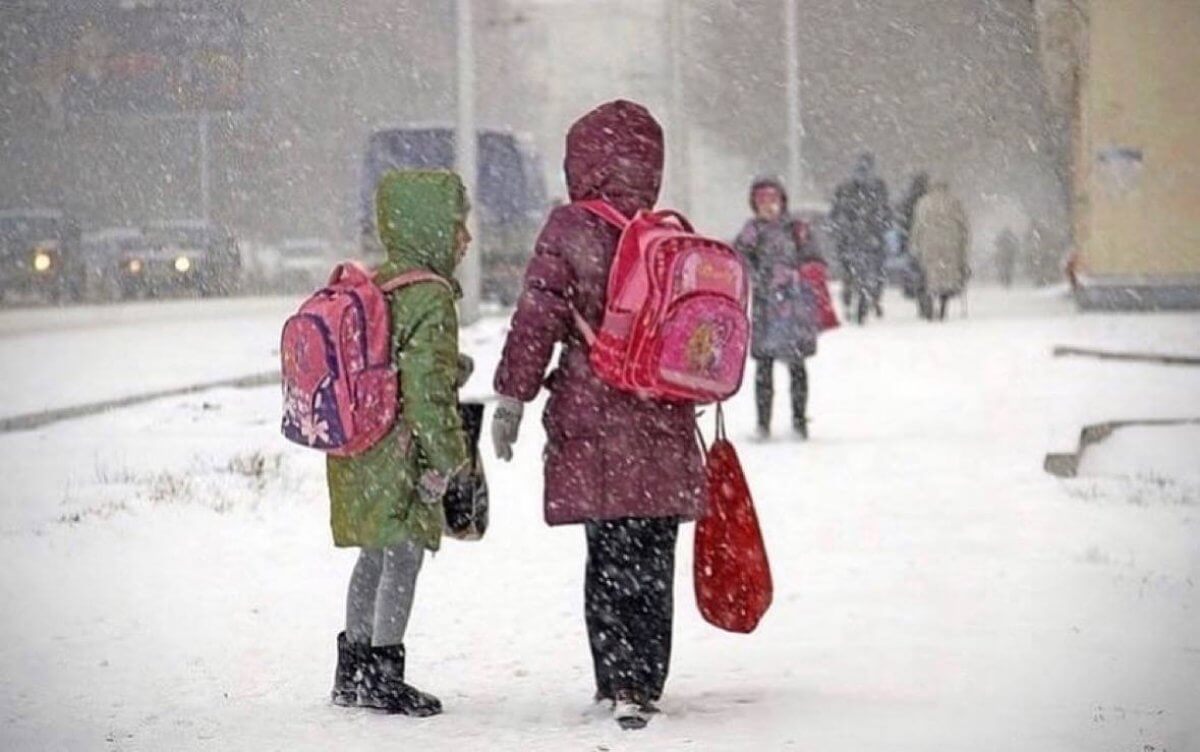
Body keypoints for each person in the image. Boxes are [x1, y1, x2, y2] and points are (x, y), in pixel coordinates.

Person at [490, 100, 704, 730]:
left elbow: (538, 317)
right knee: (654, 557)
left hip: (593, 418)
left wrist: (513, 395)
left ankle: (615, 681)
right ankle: (646, 681)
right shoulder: (671, 233)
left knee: (607, 556)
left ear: (579, 161)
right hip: (662, 418)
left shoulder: (569, 229)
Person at [327, 169, 474, 716]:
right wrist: (449, 458)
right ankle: (386, 675)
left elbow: (389, 358)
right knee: (405, 555)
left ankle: (353, 670)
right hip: (401, 447)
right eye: (460, 225)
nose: (467, 238)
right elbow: (426, 392)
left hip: (359, 442)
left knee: (374, 552)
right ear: (433, 227)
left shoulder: (378, 283)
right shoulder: (431, 296)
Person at [734, 176, 823, 440]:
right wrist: (760, 277)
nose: (768, 206)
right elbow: (739, 257)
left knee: (797, 366)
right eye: (762, 201)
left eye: (773, 200)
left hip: (794, 308)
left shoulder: (796, 229)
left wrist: (800, 276)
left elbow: (814, 259)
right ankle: (763, 423)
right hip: (765, 306)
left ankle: (799, 421)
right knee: (764, 367)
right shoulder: (752, 231)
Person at [830, 153, 891, 324]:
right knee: (870, 274)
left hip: (851, 240)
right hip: (869, 240)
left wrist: (838, 231)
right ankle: (866, 303)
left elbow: (835, 214)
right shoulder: (877, 188)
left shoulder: (845, 188)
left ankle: (851, 301)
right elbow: (885, 214)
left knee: (851, 274)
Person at [911, 180, 970, 321]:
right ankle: (943, 304)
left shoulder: (924, 202)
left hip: (929, 243)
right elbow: (964, 227)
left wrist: (915, 244)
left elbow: (918, 226)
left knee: (931, 274)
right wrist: (964, 246)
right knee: (947, 276)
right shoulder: (955, 202)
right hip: (951, 243)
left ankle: (931, 301)